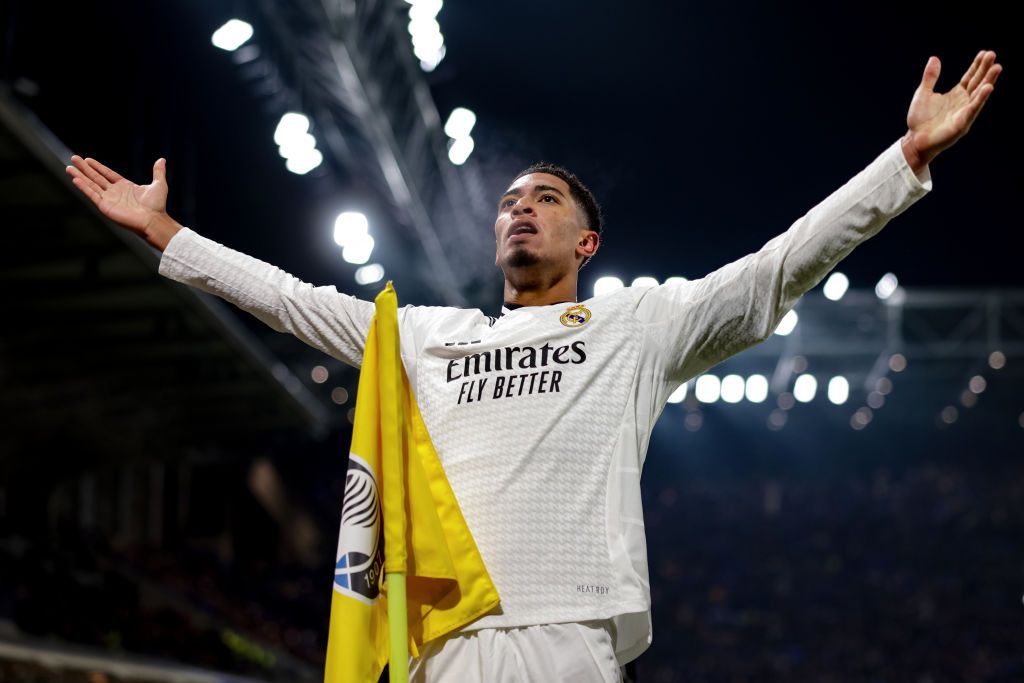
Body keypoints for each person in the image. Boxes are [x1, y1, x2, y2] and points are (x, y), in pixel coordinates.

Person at [66, 51, 1001, 682]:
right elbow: (293, 299)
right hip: (441, 640)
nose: (519, 208)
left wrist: (905, 159)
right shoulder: (429, 335)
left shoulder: (637, 323)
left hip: (568, 632)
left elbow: (776, 268)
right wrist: (169, 235)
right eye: (510, 200)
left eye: (544, 199)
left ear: (586, 239)